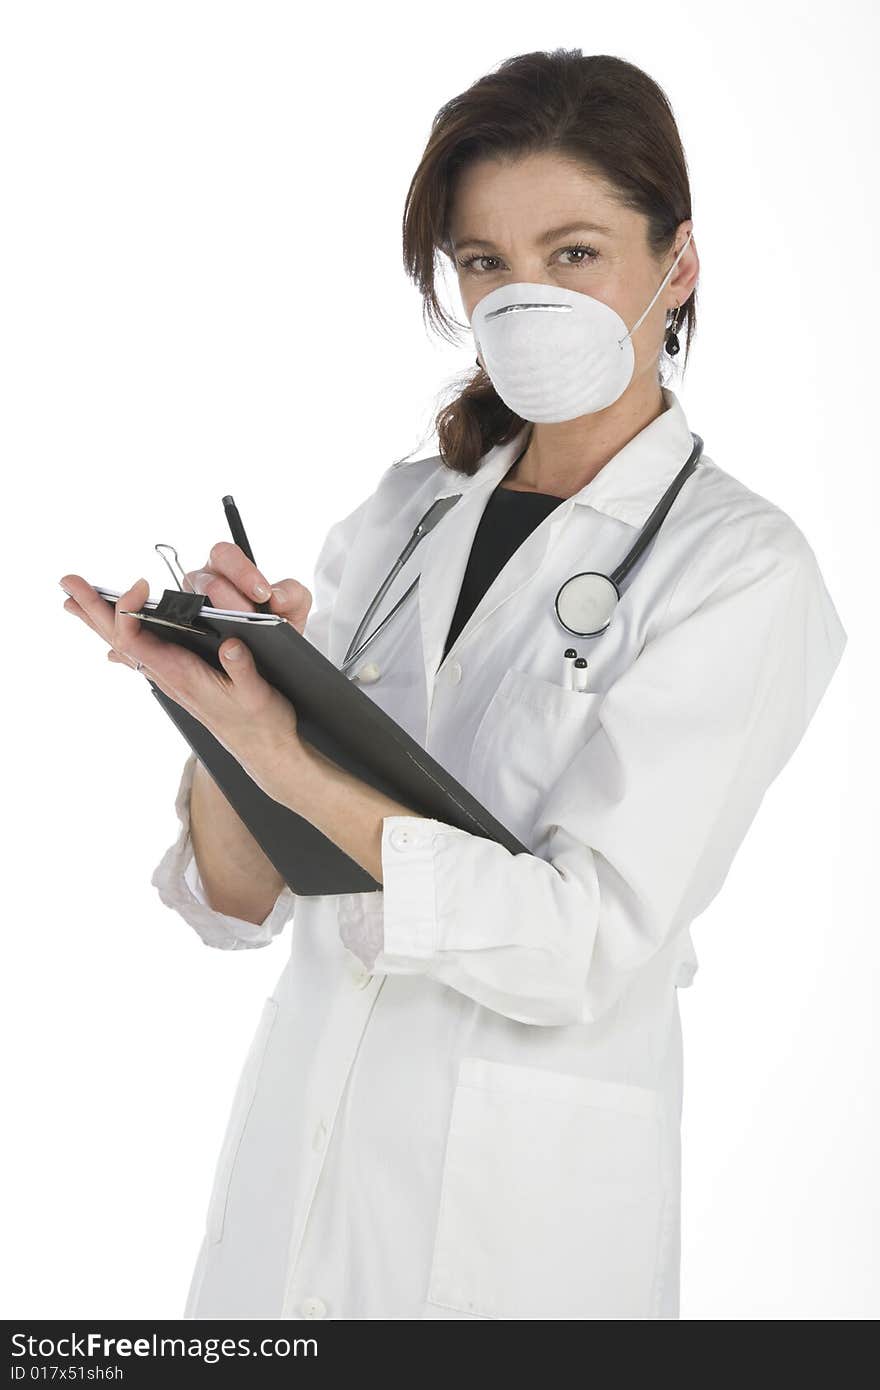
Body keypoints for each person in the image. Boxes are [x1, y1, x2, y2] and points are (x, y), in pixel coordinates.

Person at [59, 49, 847, 1320]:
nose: (524, 298)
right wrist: (226, 709)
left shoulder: (742, 572)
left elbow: (581, 942)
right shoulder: (402, 516)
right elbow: (237, 895)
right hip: (293, 1193)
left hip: (514, 1230)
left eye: (575, 253)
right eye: (485, 262)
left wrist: (290, 757)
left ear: (678, 266)